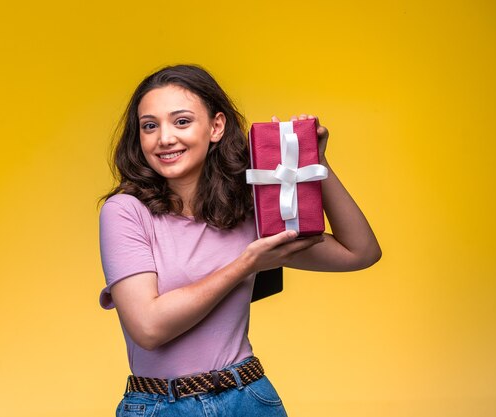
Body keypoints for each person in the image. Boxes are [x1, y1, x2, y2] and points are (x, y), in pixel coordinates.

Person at [98, 64, 381, 417]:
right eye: (149, 126)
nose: (164, 138)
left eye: (181, 121)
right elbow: (149, 327)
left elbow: (360, 252)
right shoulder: (125, 212)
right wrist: (246, 264)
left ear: (216, 127)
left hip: (249, 398)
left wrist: (316, 163)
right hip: (161, 405)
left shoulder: (247, 212)